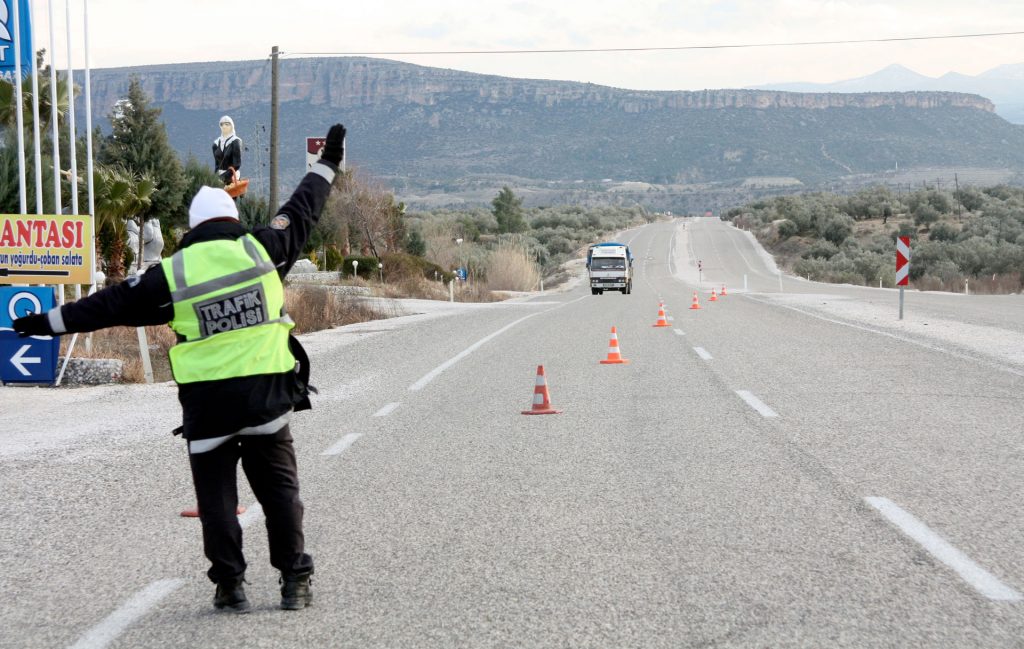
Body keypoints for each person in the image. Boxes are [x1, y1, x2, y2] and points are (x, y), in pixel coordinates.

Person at [15, 124, 348, 614]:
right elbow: (303, 207)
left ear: (192, 229)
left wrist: (46, 322)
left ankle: (229, 586)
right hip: (266, 399)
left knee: (215, 501)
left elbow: (108, 306)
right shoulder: (264, 250)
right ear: (233, 218)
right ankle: (294, 580)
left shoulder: (171, 275)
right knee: (280, 493)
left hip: (207, 406)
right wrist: (329, 161)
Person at [213, 115, 242, 186]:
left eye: (227, 124)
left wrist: (223, 177)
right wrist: (214, 178)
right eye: (222, 124)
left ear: (232, 126)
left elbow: (236, 164)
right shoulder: (216, 144)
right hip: (218, 178)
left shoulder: (235, 141)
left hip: (232, 178)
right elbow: (217, 165)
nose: (224, 126)